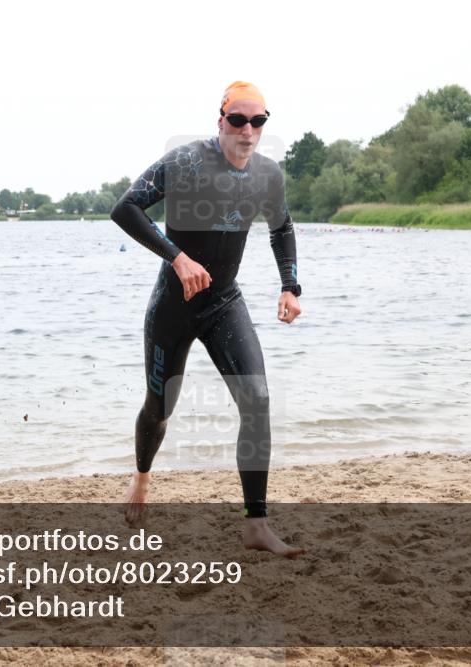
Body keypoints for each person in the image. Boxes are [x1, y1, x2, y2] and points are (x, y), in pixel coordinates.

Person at [111, 81, 304, 556]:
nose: (247, 130)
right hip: (172, 307)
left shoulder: (267, 176)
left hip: (223, 303)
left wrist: (289, 286)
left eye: (257, 121)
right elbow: (125, 208)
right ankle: (141, 478)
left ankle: (255, 524)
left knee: (257, 399)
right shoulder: (186, 162)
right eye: (237, 120)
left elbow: (281, 227)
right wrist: (177, 257)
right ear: (220, 121)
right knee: (159, 410)